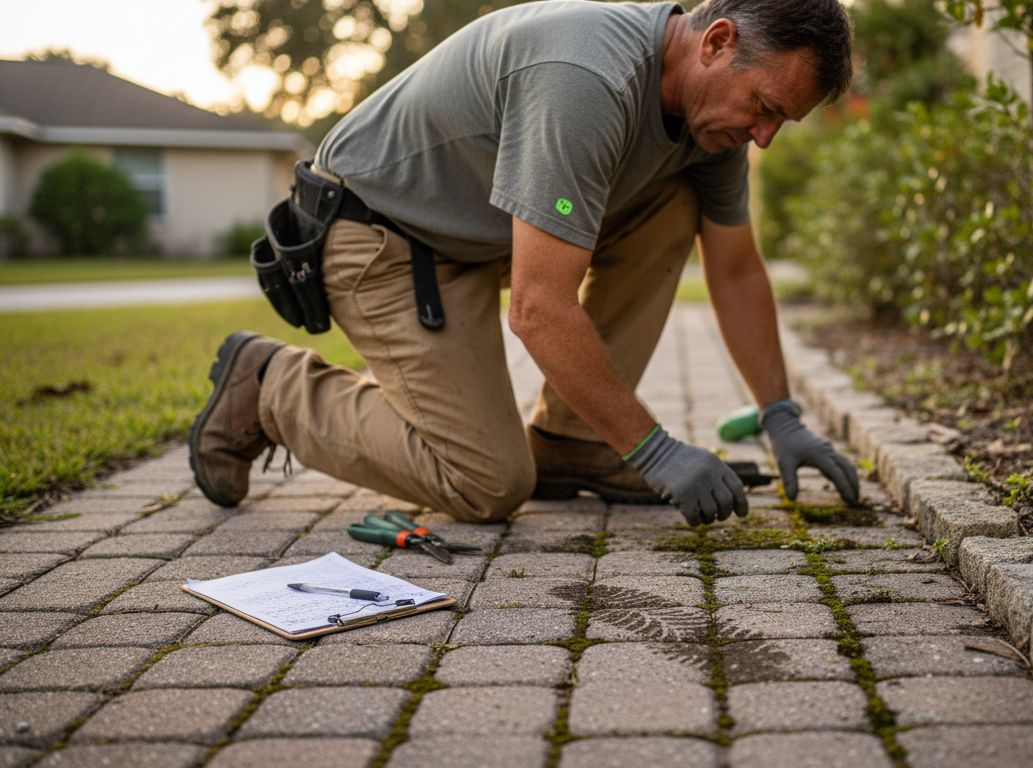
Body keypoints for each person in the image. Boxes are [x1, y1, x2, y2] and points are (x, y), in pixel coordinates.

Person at [188, 0, 860, 527]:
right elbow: (539, 309)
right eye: (765, 109)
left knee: (677, 201)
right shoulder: (588, 80)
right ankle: (270, 385)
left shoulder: (711, 128)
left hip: (481, 233)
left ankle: (574, 441)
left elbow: (737, 269)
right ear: (716, 43)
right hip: (378, 236)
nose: (764, 138)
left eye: (782, 124)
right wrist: (654, 449)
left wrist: (781, 415)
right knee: (486, 482)